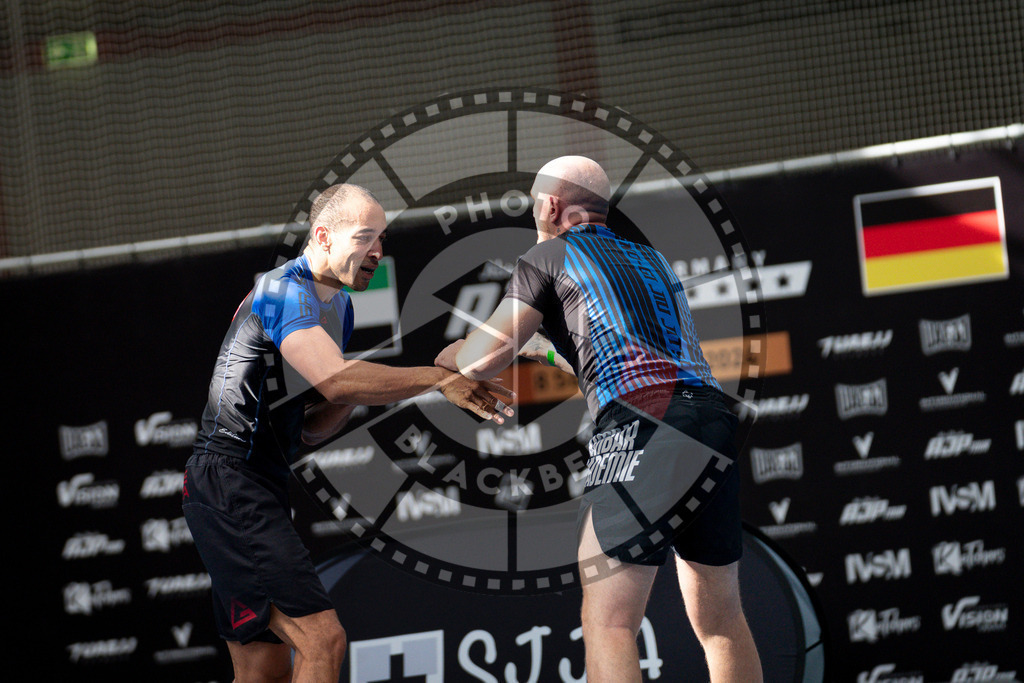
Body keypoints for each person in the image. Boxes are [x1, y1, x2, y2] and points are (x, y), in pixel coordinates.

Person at [434, 156, 763, 682]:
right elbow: (608, 357)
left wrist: (448, 358)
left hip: (642, 421)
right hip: (710, 419)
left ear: (550, 205)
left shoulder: (546, 255)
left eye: (534, 204)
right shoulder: (650, 259)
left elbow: (481, 359)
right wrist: (542, 350)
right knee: (721, 619)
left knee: (608, 620)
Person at [183, 183, 514, 683]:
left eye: (382, 239)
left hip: (257, 485)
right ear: (323, 236)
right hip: (229, 482)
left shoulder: (340, 308)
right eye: (364, 237)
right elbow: (335, 379)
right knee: (324, 640)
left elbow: (315, 425)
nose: (377, 251)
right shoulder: (281, 290)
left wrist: (365, 392)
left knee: (261, 671)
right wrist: (438, 378)